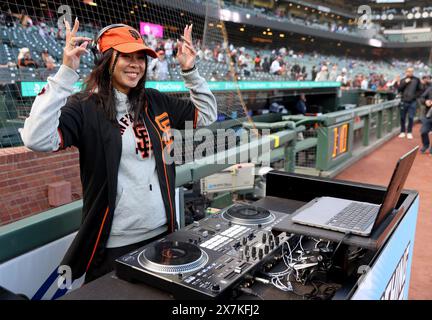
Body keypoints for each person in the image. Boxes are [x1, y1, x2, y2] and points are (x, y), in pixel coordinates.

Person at [20, 20, 217, 283]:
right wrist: (66, 72)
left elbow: (206, 115)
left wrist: (190, 70)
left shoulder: (155, 100)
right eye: (126, 56)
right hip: (114, 245)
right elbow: (36, 138)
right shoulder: (85, 106)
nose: (136, 64)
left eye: (141, 57)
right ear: (106, 59)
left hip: (164, 234)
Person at [395, 68, 422, 139]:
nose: (410, 73)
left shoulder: (417, 80)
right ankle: (402, 132)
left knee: (411, 117)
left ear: (413, 72)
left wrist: (414, 97)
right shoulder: (403, 80)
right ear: (406, 72)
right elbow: (399, 89)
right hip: (403, 101)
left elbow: (420, 90)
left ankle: (409, 132)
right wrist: (405, 83)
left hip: (412, 102)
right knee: (402, 117)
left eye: (411, 71)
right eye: (408, 71)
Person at [419, 84, 432, 154]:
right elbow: (422, 98)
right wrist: (425, 101)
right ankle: (426, 145)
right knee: (423, 131)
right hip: (429, 115)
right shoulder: (430, 89)